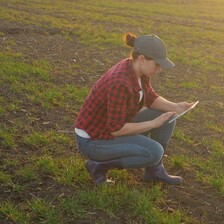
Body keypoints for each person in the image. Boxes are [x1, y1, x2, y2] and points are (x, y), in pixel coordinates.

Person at [74, 33, 194, 185]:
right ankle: (97, 165)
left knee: (169, 116)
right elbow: (116, 129)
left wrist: (175, 106)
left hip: (111, 127)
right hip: (93, 140)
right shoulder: (120, 82)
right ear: (142, 59)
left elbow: (149, 97)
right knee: (154, 152)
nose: (159, 69)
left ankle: (154, 171)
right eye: (157, 64)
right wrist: (153, 123)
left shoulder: (137, 69)